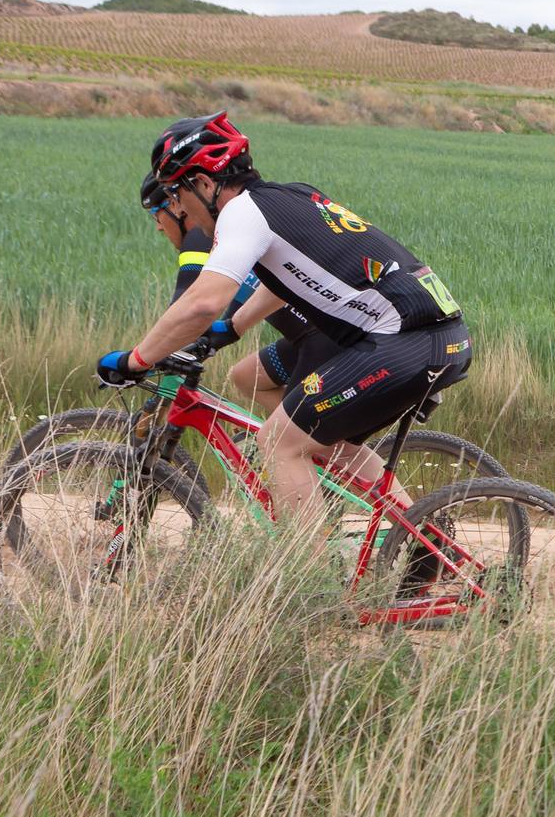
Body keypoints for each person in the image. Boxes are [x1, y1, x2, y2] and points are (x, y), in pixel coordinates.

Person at [101, 111, 471, 529]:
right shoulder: (290, 197)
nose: (175, 206)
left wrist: (135, 360)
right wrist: (235, 326)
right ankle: (423, 540)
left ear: (203, 183)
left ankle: (314, 586)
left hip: (403, 343)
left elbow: (201, 303)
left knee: (278, 442)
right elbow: (287, 279)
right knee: (326, 443)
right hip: (441, 338)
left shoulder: (242, 214)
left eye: (174, 193)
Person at [140, 172, 323, 418]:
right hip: (308, 338)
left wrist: (139, 358)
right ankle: (316, 445)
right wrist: (210, 340)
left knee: (287, 439)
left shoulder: (200, 238)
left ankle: (317, 446)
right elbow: (232, 309)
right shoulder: (230, 235)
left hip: (321, 340)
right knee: (246, 377)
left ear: (176, 206)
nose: (159, 226)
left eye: (155, 215)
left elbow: (187, 308)